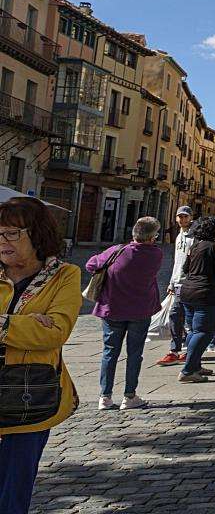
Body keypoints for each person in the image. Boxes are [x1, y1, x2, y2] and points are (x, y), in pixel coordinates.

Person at [0, 197, 82, 514]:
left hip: (29, 396)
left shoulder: (64, 276)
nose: (2, 241)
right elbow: (39, 331)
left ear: (36, 235)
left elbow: (55, 332)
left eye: (11, 233)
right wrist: (26, 325)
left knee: (12, 493)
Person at [88, 216, 164, 410]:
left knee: (109, 352)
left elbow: (91, 265)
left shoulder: (116, 251)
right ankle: (129, 396)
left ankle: (105, 397)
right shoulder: (156, 254)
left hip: (113, 308)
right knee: (135, 354)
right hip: (141, 310)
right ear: (153, 237)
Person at [176, 216, 215, 383]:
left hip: (188, 291)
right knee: (203, 332)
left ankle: (196, 366)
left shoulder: (195, 246)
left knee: (193, 330)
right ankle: (188, 370)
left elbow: (185, 269)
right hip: (206, 293)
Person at [158, 205, 194, 365]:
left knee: (186, 318)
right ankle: (176, 350)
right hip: (178, 282)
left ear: (191, 218)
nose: (182, 219)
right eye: (180, 216)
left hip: (189, 283)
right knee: (175, 316)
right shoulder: (179, 235)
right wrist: (172, 282)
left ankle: (185, 350)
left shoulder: (194, 237)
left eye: (185, 216)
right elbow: (176, 261)